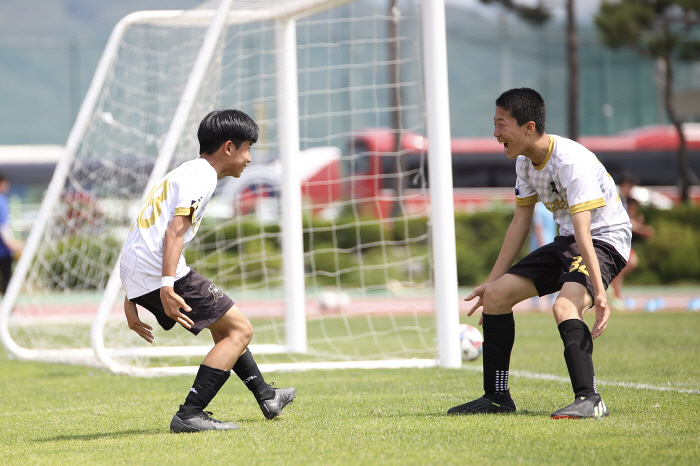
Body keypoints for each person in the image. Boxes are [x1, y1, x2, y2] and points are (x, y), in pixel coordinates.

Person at [447, 88, 631, 419]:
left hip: (604, 240)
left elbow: (584, 231)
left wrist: (600, 295)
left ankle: (590, 399)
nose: (495, 133)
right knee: (499, 297)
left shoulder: (571, 162)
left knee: (564, 306)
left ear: (528, 127)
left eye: (501, 124)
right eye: (494, 123)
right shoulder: (524, 163)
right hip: (569, 239)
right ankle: (497, 397)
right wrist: (491, 284)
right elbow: (520, 223)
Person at [120, 109, 295, 433]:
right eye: (247, 149)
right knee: (240, 330)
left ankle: (267, 396)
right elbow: (173, 231)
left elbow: (140, 233)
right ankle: (190, 413)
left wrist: (130, 295)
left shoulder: (186, 172)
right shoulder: (202, 177)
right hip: (159, 273)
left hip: (141, 272)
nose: (249, 159)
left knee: (224, 324)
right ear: (229, 148)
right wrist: (166, 287)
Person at [609, 173, 655, 309]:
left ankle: (615, 294)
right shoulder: (615, 197)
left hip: (620, 239)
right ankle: (613, 294)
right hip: (615, 239)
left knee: (622, 266)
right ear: (625, 184)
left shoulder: (623, 199)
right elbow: (623, 221)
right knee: (627, 263)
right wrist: (642, 229)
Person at [528, 202, 558, 309]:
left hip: (551, 241)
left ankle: (551, 297)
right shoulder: (539, 208)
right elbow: (538, 227)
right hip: (540, 244)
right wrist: (542, 246)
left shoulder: (552, 207)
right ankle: (535, 300)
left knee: (551, 270)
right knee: (537, 271)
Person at [0, 173, 24, 294]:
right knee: (7, 281)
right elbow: (3, 226)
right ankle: (8, 310)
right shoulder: (2, 201)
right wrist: (12, 244)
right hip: (3, 251)